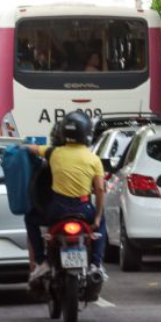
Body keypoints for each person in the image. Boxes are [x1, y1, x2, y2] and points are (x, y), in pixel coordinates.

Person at [24, 111, 107, 282]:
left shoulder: (54, 153)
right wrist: (97, 217)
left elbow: (31, 149)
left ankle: (41, 262)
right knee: (102, 223)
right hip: (84, 209)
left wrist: (18, 147)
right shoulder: (93, 159)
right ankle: (96, 265)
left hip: (57, 210)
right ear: (87, 134)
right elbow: (99, 189)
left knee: (30, 219)